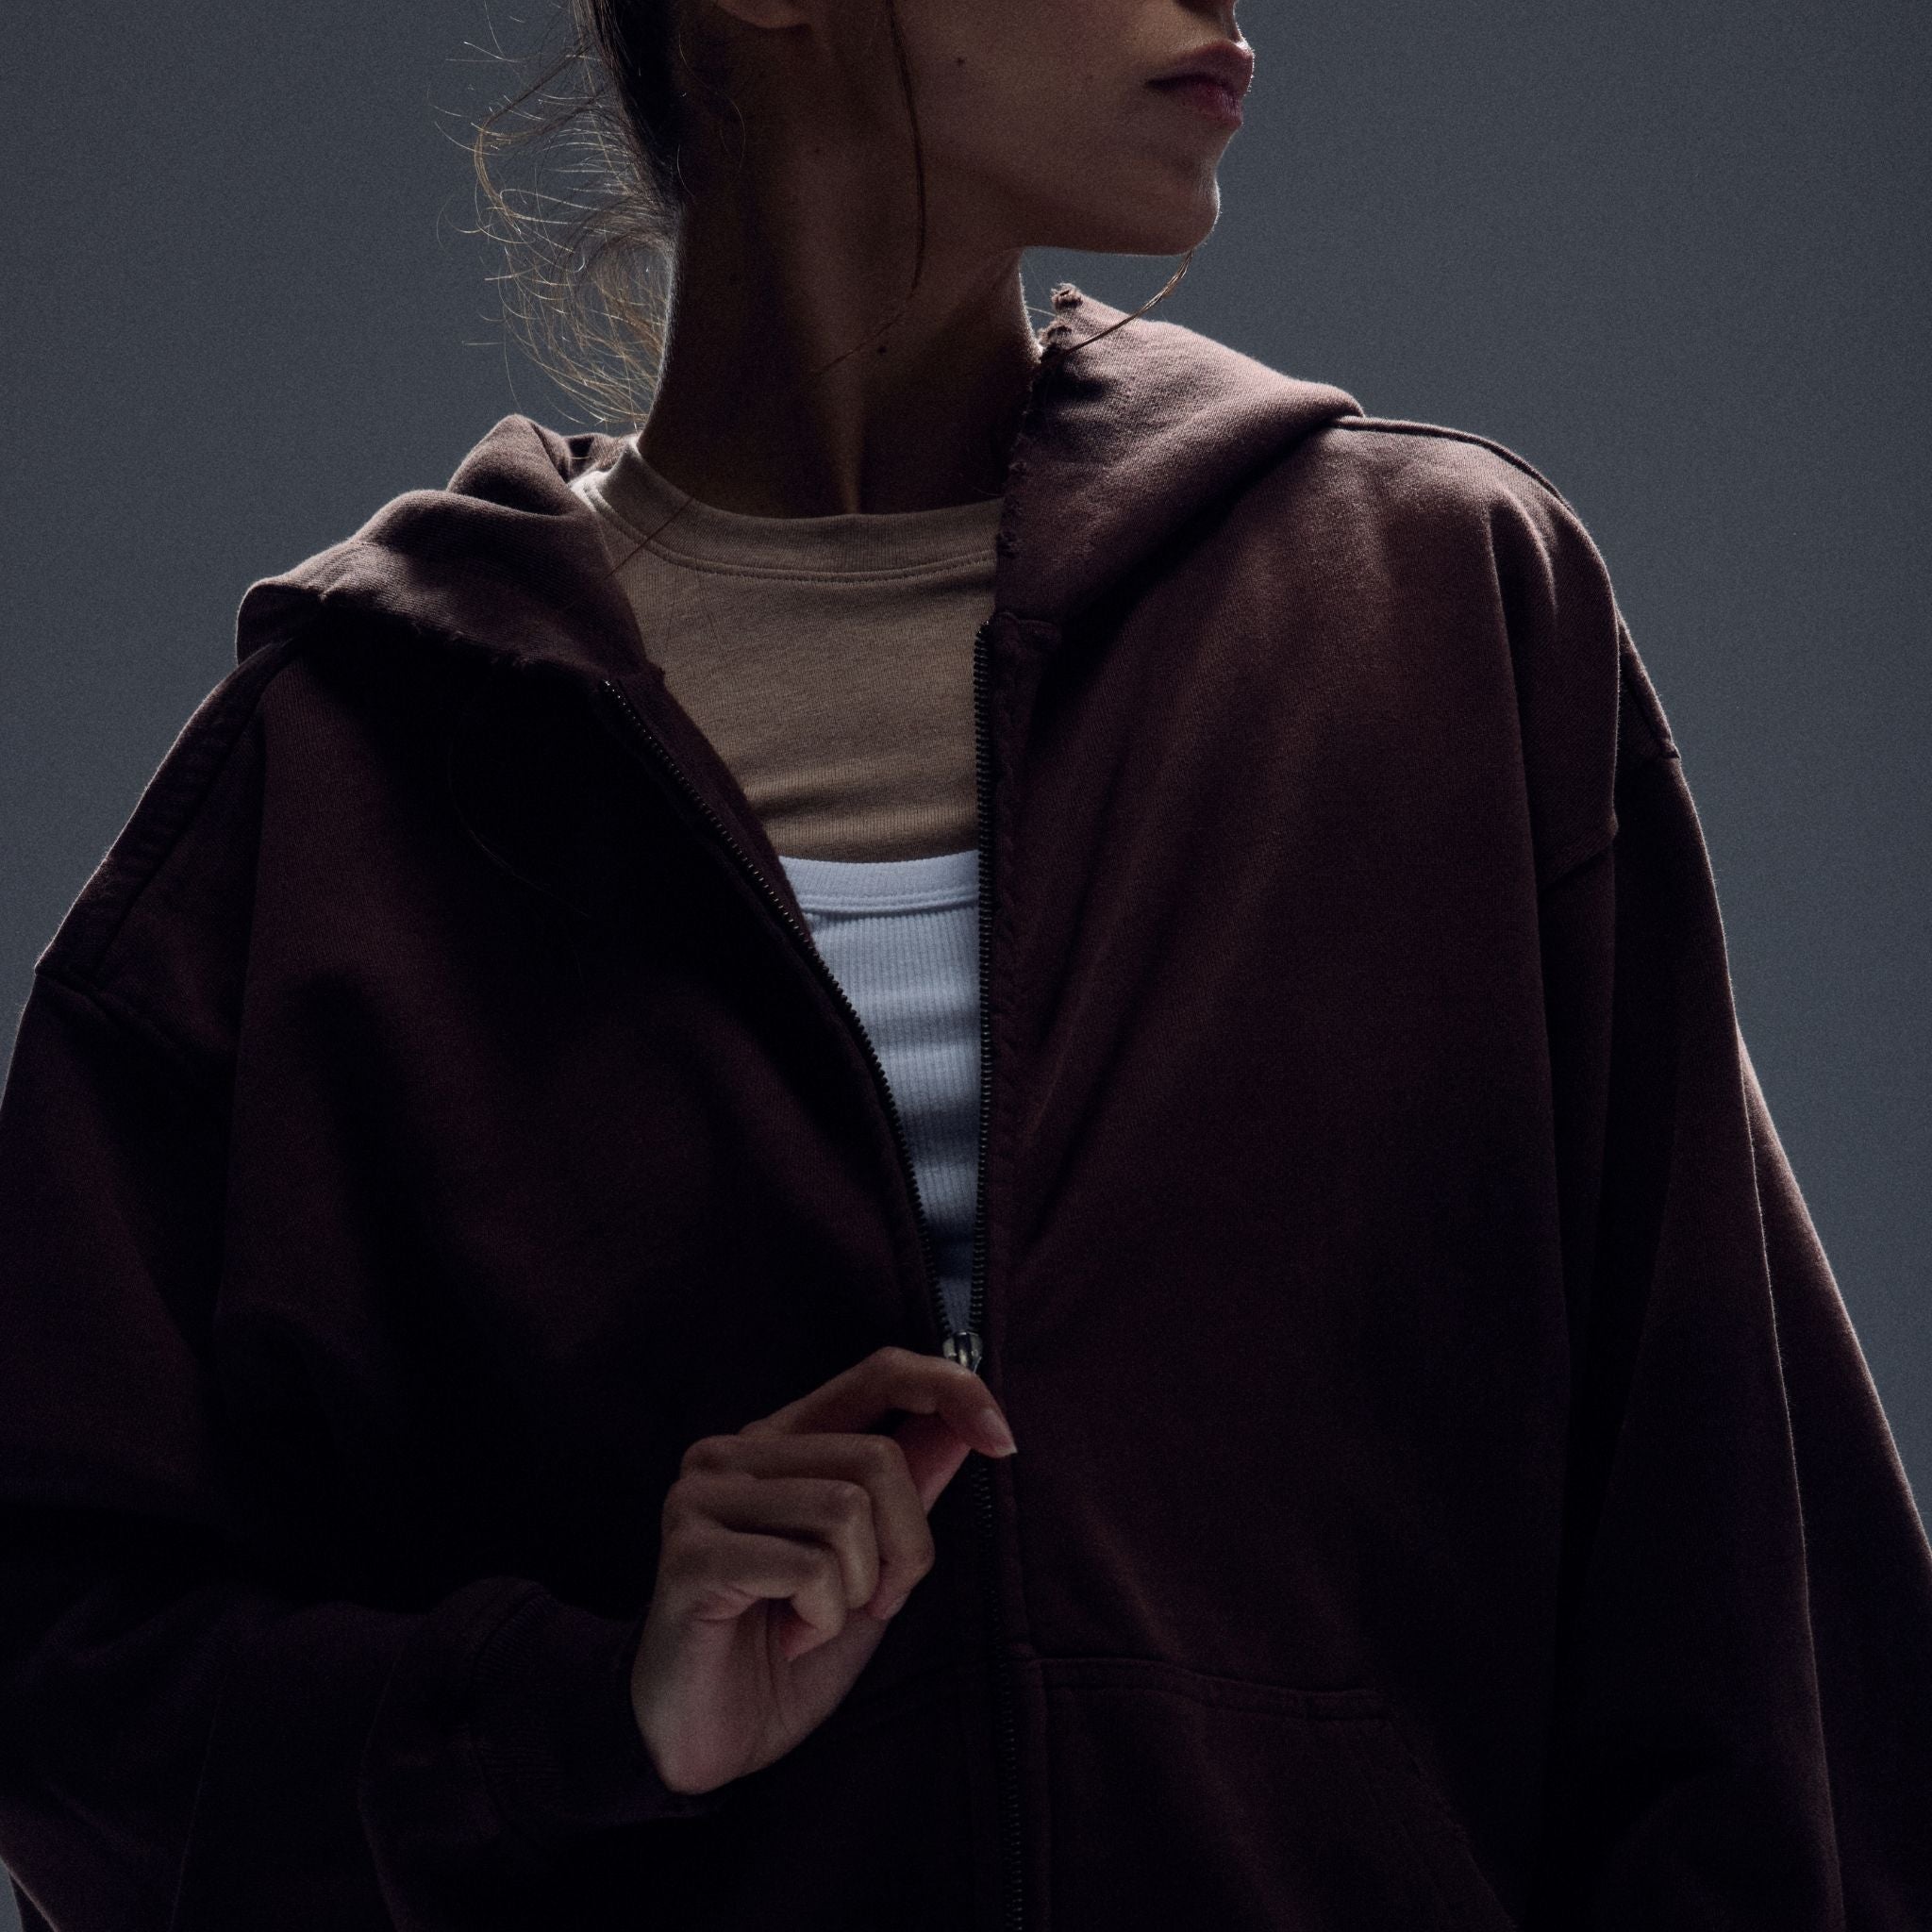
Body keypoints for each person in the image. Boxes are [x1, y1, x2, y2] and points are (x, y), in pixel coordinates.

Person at [1, 0, 1929, 1925]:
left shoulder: (1432, 621)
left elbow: (1745, 1615)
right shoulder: (344, 784)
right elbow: (66, 1686)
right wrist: (592, 1710)